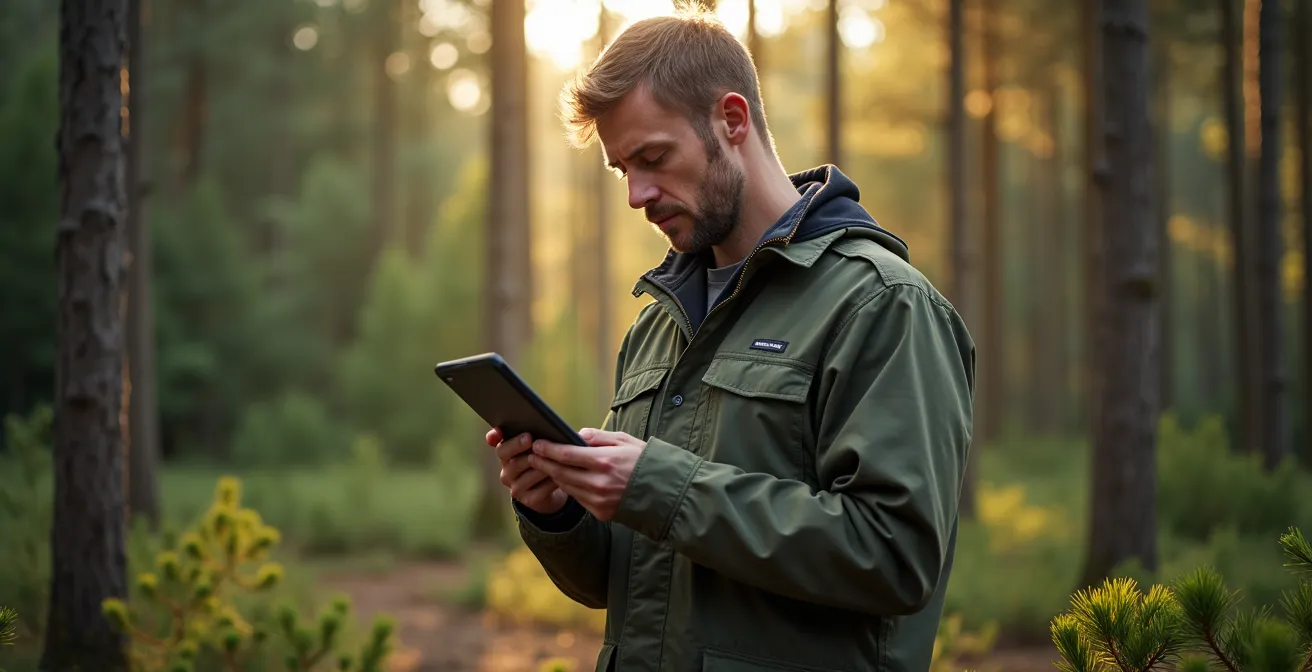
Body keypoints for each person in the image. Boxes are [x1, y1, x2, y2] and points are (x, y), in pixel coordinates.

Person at [483, 10, 975, 672]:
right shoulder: (661, 320)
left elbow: (894, 558)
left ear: (732, 120)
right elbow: (621, 583)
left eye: (653, 158)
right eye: (621, 168)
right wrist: (558, 512)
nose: (636, 194)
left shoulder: (882, 304)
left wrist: (659, 486)